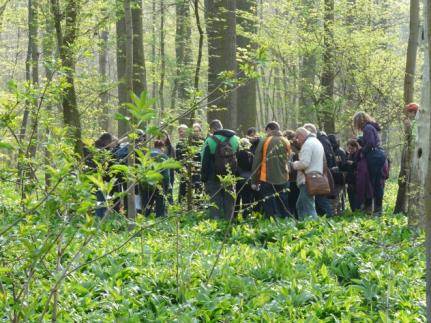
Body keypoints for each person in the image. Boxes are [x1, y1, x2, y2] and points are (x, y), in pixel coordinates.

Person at [201, 119, 240, 219]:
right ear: (221, 127)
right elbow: (238, 158)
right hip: (230, 175)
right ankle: (229, 222)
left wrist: (204, 177)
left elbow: (204, 160)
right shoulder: (235, 139)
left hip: (213, 176)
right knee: (229, 199)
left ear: (213, 129)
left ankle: (215, 222)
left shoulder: (209, 141)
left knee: (215, 200)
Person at [251, 121, 291, 218]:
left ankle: (271, 225)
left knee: (269, 205)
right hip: (284, 178)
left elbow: (257, 160)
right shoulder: (286, 141)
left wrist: (254, 181)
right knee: (283, 203)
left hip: (267, 178)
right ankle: (285, 222)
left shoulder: (265, 141)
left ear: (269, 129)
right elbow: (288, 160)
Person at [353, 111, 387, 216]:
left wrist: (362, 151)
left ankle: (376, 210)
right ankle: (375, 209)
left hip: (374, 157)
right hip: (378, 156)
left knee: (374, 184)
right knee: (375, 183)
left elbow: (371, 143)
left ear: (359, 121)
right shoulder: (371, 127)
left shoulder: (367, 128)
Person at [292, 127, 324, 220]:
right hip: (314, 176)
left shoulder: (307, 144)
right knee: (301, 204)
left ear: (301, 135)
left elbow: (304, 163)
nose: (297, 141)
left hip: (307, 179)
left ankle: (313, 225)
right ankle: (304, 224)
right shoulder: (316, 142)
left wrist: (294, 164)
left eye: (297, 138)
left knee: (307, 205)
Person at [304, 123, 335, 217]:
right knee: (319, 198)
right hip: (319, 172)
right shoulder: (318, 141)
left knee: (320, 198)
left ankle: (330, 217)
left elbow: (326, 159)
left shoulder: (318, 141)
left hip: (318, 173)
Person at [141, 140, 171, 216]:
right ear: (162, 147)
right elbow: (166, 175)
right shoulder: (164, 156)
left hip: (146, 182)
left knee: (146, 204)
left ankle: (144, 220)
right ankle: (160, 221)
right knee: (160, 205)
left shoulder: (146, 155)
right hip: (160, 184)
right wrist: (166, 186)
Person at [235, 138, 255, 217]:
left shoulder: (236, 154)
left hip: (237, 179)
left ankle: (234, 216)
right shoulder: (251, 155)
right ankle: (246, 216)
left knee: (236, 198)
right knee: (246, 199)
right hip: (248, 179)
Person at [328, 134, 347, 214]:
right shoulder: (330, 151)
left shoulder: (340, 152)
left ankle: (340, 211)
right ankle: (336, 211)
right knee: (334, 196)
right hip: (333, 177)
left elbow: (344, 165)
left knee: (339, 195)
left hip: (340, 177)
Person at [341, 139, 360, 212]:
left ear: (356, 147)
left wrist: (353, 163)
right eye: (349, 148)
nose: (350, 150)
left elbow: (360, 166)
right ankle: (354, 211)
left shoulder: (358, 155)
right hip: (350, 180)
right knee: (351, 197)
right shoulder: (349, 155)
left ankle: (357, 211)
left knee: (356, 198)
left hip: (357, 180)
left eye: (352, 148)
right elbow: (345, 167)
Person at [284, 130, 300, 218]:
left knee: (291, 200)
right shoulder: (298, 148)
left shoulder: (289, 149)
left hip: (290, 178)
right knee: (295, 199)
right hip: (297, 177)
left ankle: (291, 217)